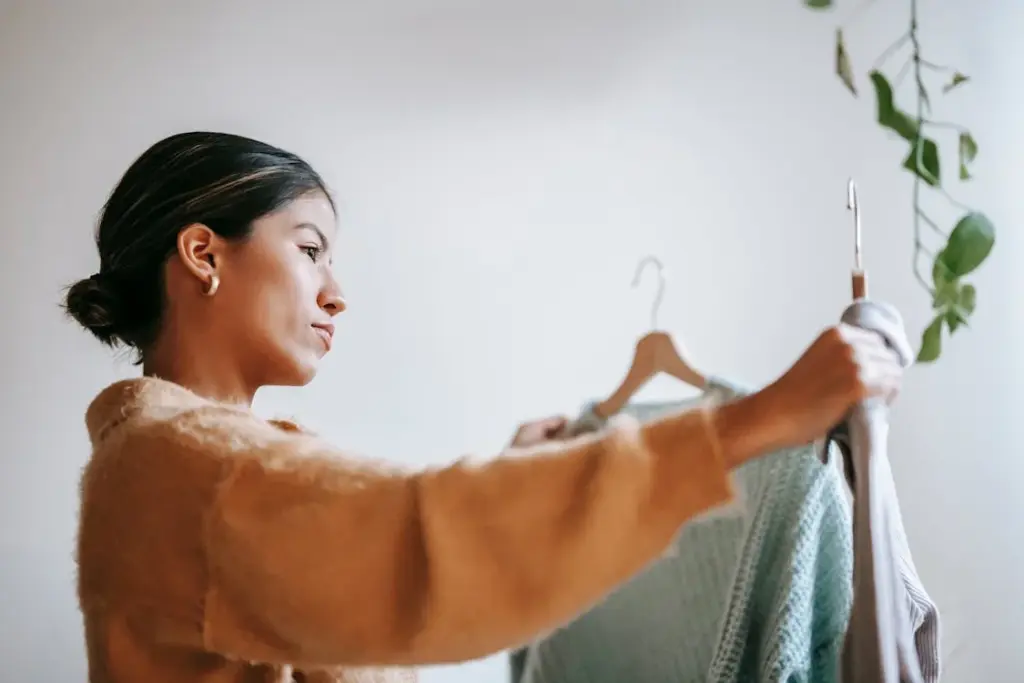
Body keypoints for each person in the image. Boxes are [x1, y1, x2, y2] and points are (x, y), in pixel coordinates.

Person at [64, 131, 904, 683]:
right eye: (310, 249)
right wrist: (758, 421)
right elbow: (417, 539)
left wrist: (510, 476)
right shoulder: (169, 464)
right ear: (204, 253)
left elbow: (382, 553)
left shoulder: (193, 461)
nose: (337, 293)